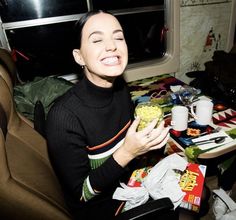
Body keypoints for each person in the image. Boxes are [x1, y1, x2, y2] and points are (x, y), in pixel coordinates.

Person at [46, 10, 207, 220]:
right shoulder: (63, 118)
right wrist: (129, 152)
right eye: (96, 40)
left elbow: (128, 137)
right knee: (189, 212)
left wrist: (149, 142)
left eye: (118, 37)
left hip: (131, 177)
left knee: (200, 192)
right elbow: (82, 195)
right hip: (103, 206)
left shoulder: (120, 88)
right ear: (79, 56)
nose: (112, 46)